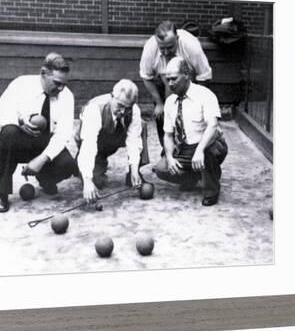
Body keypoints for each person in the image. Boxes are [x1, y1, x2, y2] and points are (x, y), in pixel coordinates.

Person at [0, 52, 77, 212]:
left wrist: (42, 159)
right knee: (8, 132)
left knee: (68, 164)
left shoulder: (66, 96)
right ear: (43, 73)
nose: (60, 88)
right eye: (57, 83)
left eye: (63, 84)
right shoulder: (21, 85)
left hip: (45, 144)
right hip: (20, 143)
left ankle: (45, 178)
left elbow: (63, 134)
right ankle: (1, 192)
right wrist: (20, 121)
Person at [153, 57, 228, 206]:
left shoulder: (205, 95)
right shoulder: (170, 102)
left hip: (209, 143)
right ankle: (195, 176)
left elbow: (212, 126)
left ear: (186, 74)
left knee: (208, 153)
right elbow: (168, 135)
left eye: (174, 79)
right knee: (162, 169)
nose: (170, 84)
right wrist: (169, 157)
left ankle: (211, 190)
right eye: (167, 80)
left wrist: (200, 150)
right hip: (186, 148)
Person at [139, 20, 212, 148]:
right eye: (162, 48)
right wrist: (160, 103)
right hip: (162, 83)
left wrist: (196, 100)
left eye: (170, 47)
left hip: (189, 82)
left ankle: (192, 147)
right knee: (162, 115)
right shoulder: (150, 48)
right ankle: (167, 152)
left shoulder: (191, 46)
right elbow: (146, 77)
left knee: (190, 115)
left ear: (177, 39)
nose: (166, 52)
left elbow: (204, 75)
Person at [76, 79, 145, 204]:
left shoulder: (134, 110)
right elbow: (88, 146)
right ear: (112, 96)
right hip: (94, 143)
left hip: (114, 138)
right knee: (96, 183)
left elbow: (134, 140)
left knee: (142, 126)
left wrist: (134, 168)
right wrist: (87, 180)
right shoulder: (94, 109)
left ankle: (133, 175)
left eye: (128, 108)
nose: (123, 112)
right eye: (120, 106)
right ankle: (81, 167)